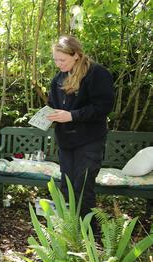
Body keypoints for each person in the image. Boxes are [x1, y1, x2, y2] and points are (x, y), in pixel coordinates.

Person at [46, 35, 115, 220]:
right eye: (55, 60)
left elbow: (103, 107)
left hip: (89, 141)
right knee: (67, 187)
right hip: (66, 142)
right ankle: (69, 233)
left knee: (83, 187)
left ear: (76, 55)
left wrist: (72, 115)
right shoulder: (57, 79)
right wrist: (46, 116)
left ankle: (88, 236)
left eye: (62, 60)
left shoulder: (97, 73)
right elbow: (52, 104)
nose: (58, 64)